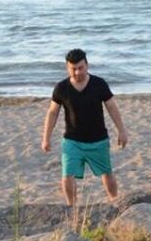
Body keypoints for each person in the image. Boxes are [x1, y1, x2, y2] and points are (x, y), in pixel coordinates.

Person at [41, 48, 128, 206]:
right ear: (67, 68)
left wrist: (121, 131)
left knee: (107, 173)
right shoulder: (61, 87)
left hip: (98, 139)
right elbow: (52, 113)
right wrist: (46, 138)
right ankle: (72, 207)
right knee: (67, 175)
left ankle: (114, 202)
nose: (77, 72)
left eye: (80, 68)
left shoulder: (99, 84)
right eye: (73, 69)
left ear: (87, 65)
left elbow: (112, 107)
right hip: (72, 140)